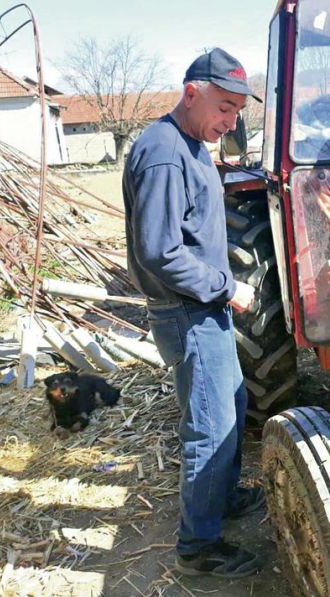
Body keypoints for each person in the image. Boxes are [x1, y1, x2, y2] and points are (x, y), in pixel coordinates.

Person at [122, 48, 265, 578]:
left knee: (230, 402)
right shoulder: (163, 151)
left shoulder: (190, 144)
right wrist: (225, 287)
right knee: (210, 424)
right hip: (187, 310)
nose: (229, 122)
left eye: (235, 113)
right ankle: (198, 546)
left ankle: (221, 499)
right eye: (223, 108)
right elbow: (160, 250)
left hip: (203, 306)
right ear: (191, 93)